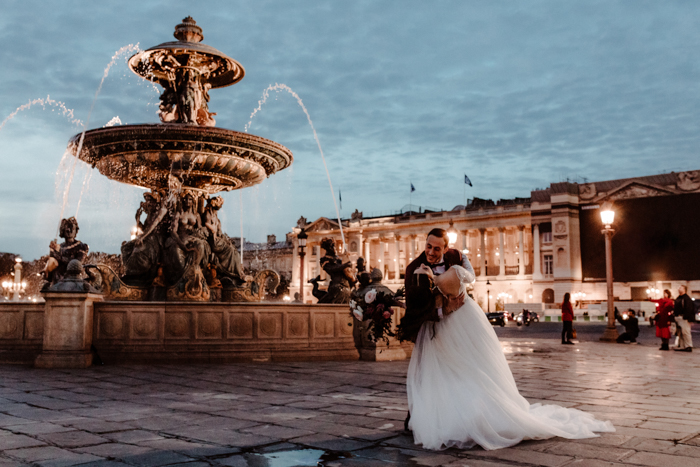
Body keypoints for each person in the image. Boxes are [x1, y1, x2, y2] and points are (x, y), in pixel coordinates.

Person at [405, 264, 614, 450]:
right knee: (466, 373)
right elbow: (467, 278)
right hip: (459, 328)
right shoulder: (444, 275)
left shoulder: (440, 280)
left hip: (452, 331)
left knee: (460, 373)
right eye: (423, 265)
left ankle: (459, 419)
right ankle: (468, 417)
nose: (425, 262)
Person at [674, 285, 695, 352]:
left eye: (681, 288)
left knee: (685, 332)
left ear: (684, 289)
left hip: (684, 317)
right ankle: (682, 345)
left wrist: (686, 316)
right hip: (679, 317)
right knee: (680, 332)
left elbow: (689, 308)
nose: (679, 289)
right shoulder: (679, 298)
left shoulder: (686, 298)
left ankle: (688, 346)